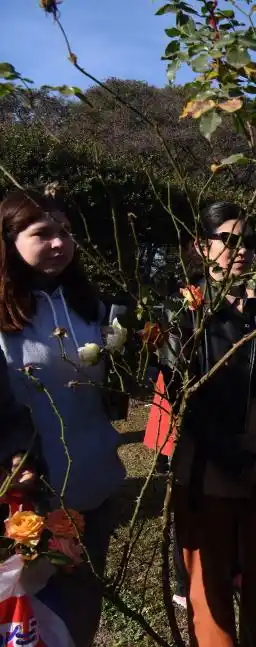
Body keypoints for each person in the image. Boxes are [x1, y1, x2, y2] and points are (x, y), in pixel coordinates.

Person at [163, 201, 256, 647]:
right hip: (209, 469)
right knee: (210, 588)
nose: (240, 249)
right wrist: (235, 460)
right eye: (227, 239)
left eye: (247, 240)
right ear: (201, 245)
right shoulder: (184, 310)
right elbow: (183, 397)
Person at [0, 189, 126, 645]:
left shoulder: (93, 309)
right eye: (43, 233)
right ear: (9, 241)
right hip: (25, 503)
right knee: (24, 624)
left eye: (66, 232)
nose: (59, 243)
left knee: (78, 618)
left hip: (93, 492)